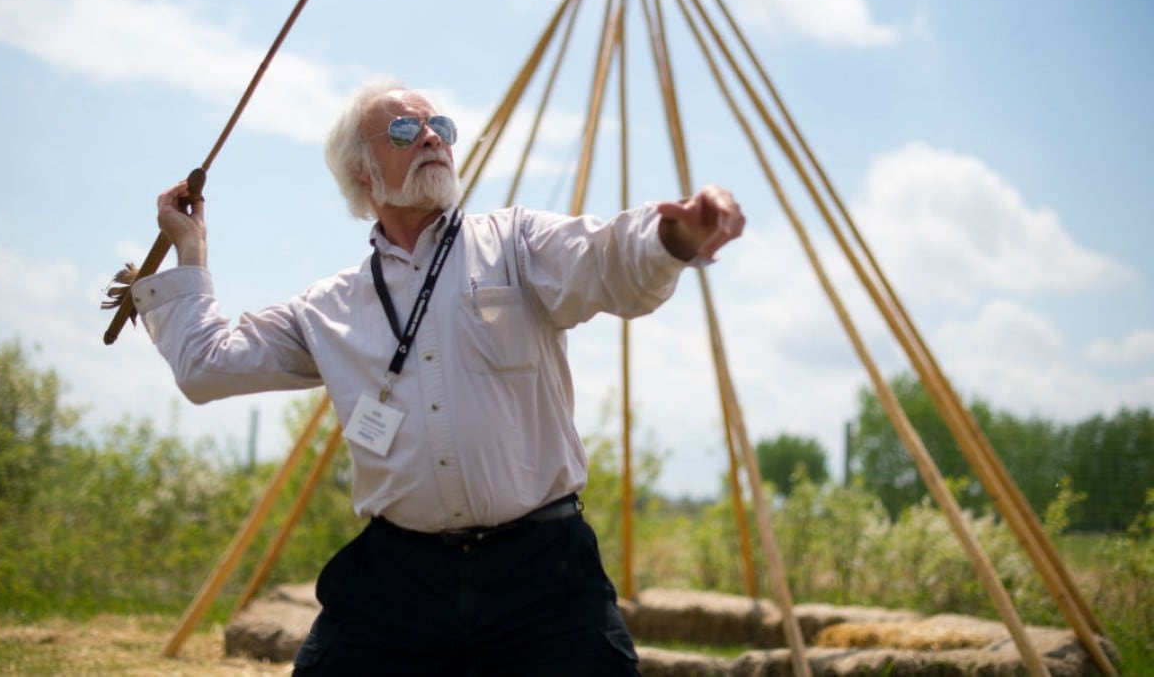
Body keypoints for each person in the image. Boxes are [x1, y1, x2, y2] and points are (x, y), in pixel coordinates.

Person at [132, 77, 745, 676]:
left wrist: (673, 234)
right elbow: (206, 366)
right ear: (362, 173)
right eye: (405, 129)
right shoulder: (330, 308)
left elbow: (607, 258)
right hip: (398, 579)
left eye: (439, 127)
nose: (430, 136)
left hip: (542, 574)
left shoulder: (515, 244)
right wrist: (192, 247)